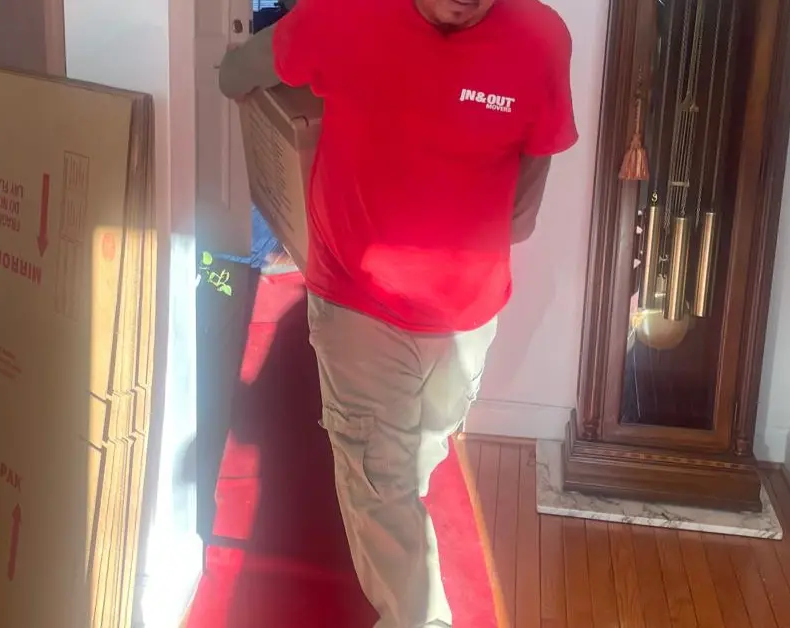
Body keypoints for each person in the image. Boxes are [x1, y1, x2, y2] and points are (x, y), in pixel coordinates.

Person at [219, 0, 578, 626]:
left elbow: (524, 202)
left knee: (423, 451)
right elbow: (237, 75)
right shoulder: (341, 14)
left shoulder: (541, 39)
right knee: (380, 483)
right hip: (358, 302)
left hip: (467, 314)